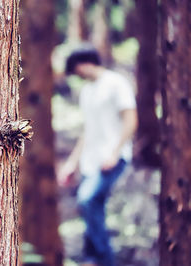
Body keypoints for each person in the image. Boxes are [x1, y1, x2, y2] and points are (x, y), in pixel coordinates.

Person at [59, 46, 138, 266]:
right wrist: (72, 163)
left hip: (113, 159)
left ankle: (102, 259)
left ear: (86, 63)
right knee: (93, 208)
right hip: (90, 162)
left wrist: (114, 153)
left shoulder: (116, 83)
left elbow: (131, 121)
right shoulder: (86, 91)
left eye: (76, 70)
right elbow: (88, 131)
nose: (77, 76)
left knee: (86, 198)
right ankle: (93, 257)